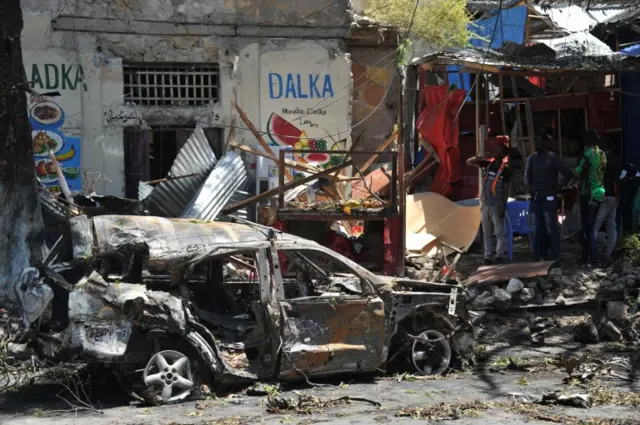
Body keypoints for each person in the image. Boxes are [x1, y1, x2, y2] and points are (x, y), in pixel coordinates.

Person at [526, 136, 573, 262]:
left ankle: (554, 256)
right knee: (536, 228)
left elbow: (567, 173)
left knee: (551, 227)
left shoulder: (553, 158)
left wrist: (558, 187)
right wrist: (531, 188)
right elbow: (529, 176)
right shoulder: (533, 159)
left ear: (546, 144)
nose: (537, 144)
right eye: (536, 142)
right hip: (536, 197)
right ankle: (537, 256)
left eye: (539, 141)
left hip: (549, 198)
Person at [467, 139, 512, 265]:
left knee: (499, 232)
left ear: (503, 154)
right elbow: (469, 162)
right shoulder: (487, 165)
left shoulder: (505, 171)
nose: (495, 151)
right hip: (485, 203)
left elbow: (506, 189)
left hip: (497, 204)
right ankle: (488, 256)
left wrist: (503, 205)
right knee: (487, 232)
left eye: (498, 150)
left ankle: (499, 255)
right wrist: (482, 157)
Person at [574, 129, 607, 267]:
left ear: (588, 140)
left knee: (588, 228)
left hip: (588, 194)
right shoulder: (602, 154)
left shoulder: (587, 154)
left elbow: (578, 172)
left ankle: (593, 259)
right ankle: (585, 257)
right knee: (589, 227)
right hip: (599, 192)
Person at [593, 148, 619, 264]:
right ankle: (609, 253)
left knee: (595, 225)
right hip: (613, 197)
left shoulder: (598, 163)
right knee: (611, 224)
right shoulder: (614, 161)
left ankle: (592, 254)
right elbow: (616, 181)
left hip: (603, 196)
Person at [616, 161, 640, 236]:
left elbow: (620, 181)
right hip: (635, 179)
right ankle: (627, 231)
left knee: (620, 209)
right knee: (628, 208)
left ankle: (618, 231)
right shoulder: (626, 167)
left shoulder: (618, 170)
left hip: (630, 182)